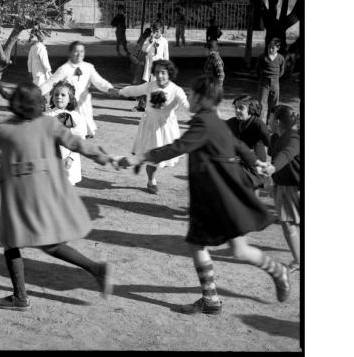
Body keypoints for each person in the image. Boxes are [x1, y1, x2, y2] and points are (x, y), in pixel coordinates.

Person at [117, 76, 291, 315]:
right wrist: (256, 162)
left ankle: (210, 298)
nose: (188, 99)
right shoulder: (216, 122)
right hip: (223, 192)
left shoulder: (204, 123)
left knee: (198, 245)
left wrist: (139, 157)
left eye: (191, 95)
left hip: (214, 194)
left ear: (201, 99)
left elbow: (175, 148)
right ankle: (276, 270)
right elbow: (238, 146)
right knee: (238, 249)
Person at [0, 82, 115, 311]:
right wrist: (101, 156)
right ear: (39, 104)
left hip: (19, 197)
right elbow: (76, 143)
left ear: (15, 106)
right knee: (49, 244)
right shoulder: (49, 124)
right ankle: (96, 269)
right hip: (46, 194)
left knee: (12, 244)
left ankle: (20, 297)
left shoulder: (6, 129)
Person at [117, 60, 189, 195]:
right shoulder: (150, 85)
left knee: (160, 155)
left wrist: (201, 114)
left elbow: (187, 106)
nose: (160, 76)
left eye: (163, 73)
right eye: (157, 73)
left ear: (169, 74)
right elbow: (134, 90)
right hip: (150, 125)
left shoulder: (176, 90)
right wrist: (119, 91)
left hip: (165, 128)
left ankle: (141, 162)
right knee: (152, 156)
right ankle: (151, 180)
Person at [39, 41, 119, 139]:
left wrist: (109, 88)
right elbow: (50, 83)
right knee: (71, 131)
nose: (79, 54)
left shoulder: (88, 67)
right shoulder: (64, 69)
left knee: (85, 128)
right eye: (76, 51)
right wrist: (36, 93)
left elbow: (98, 81)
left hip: (84, 104)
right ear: (70, 52)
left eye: (81, 51)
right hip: (69, 104)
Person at [262, 105, 301, 273]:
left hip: (294, 187)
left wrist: (272, 168)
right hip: (283, 185)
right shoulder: (276, 137)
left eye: (269, 119)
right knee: (289, 224)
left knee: (289, 225)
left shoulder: (294, 139)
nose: (268, 121)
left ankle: (299, 261)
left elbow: (286, 154)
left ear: (277, 121)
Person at [45, 81, 86, 185]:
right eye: (56, 94)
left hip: (67, 158)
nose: (59, 97)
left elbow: (80, 139)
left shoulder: (75, 117)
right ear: (52, 96)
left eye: (63, 95)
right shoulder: (46, 115)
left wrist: (71, 157)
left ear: (70, 98)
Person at [226, 95, 271, 191]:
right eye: (236, 107)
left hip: (255, 166)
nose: (237, 110)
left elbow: (271, 144)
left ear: (251, 110)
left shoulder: (258, 124)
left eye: (241, 108)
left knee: (248, 194)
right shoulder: (232, 122)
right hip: (238, 163)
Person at [256, 38, 286, 126]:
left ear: (278, 48)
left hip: (275, 83)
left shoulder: (280, 58)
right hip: (264, 83)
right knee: (261, 104)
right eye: (269, 47)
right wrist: (263, 77)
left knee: (273, 105)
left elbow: (281, 71)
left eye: (273, 48)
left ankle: (269, 125)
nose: (270, 49)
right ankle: (259, 124)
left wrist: (275, 79)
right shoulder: (262, 57)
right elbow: (257, 70)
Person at [129, 28, 153, 111]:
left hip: (149, 67)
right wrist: (138, 62)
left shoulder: (156, 42)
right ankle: (141, 103)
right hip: (142, 67)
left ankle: (144, 104)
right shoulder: (142, 43)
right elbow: (133, 55)